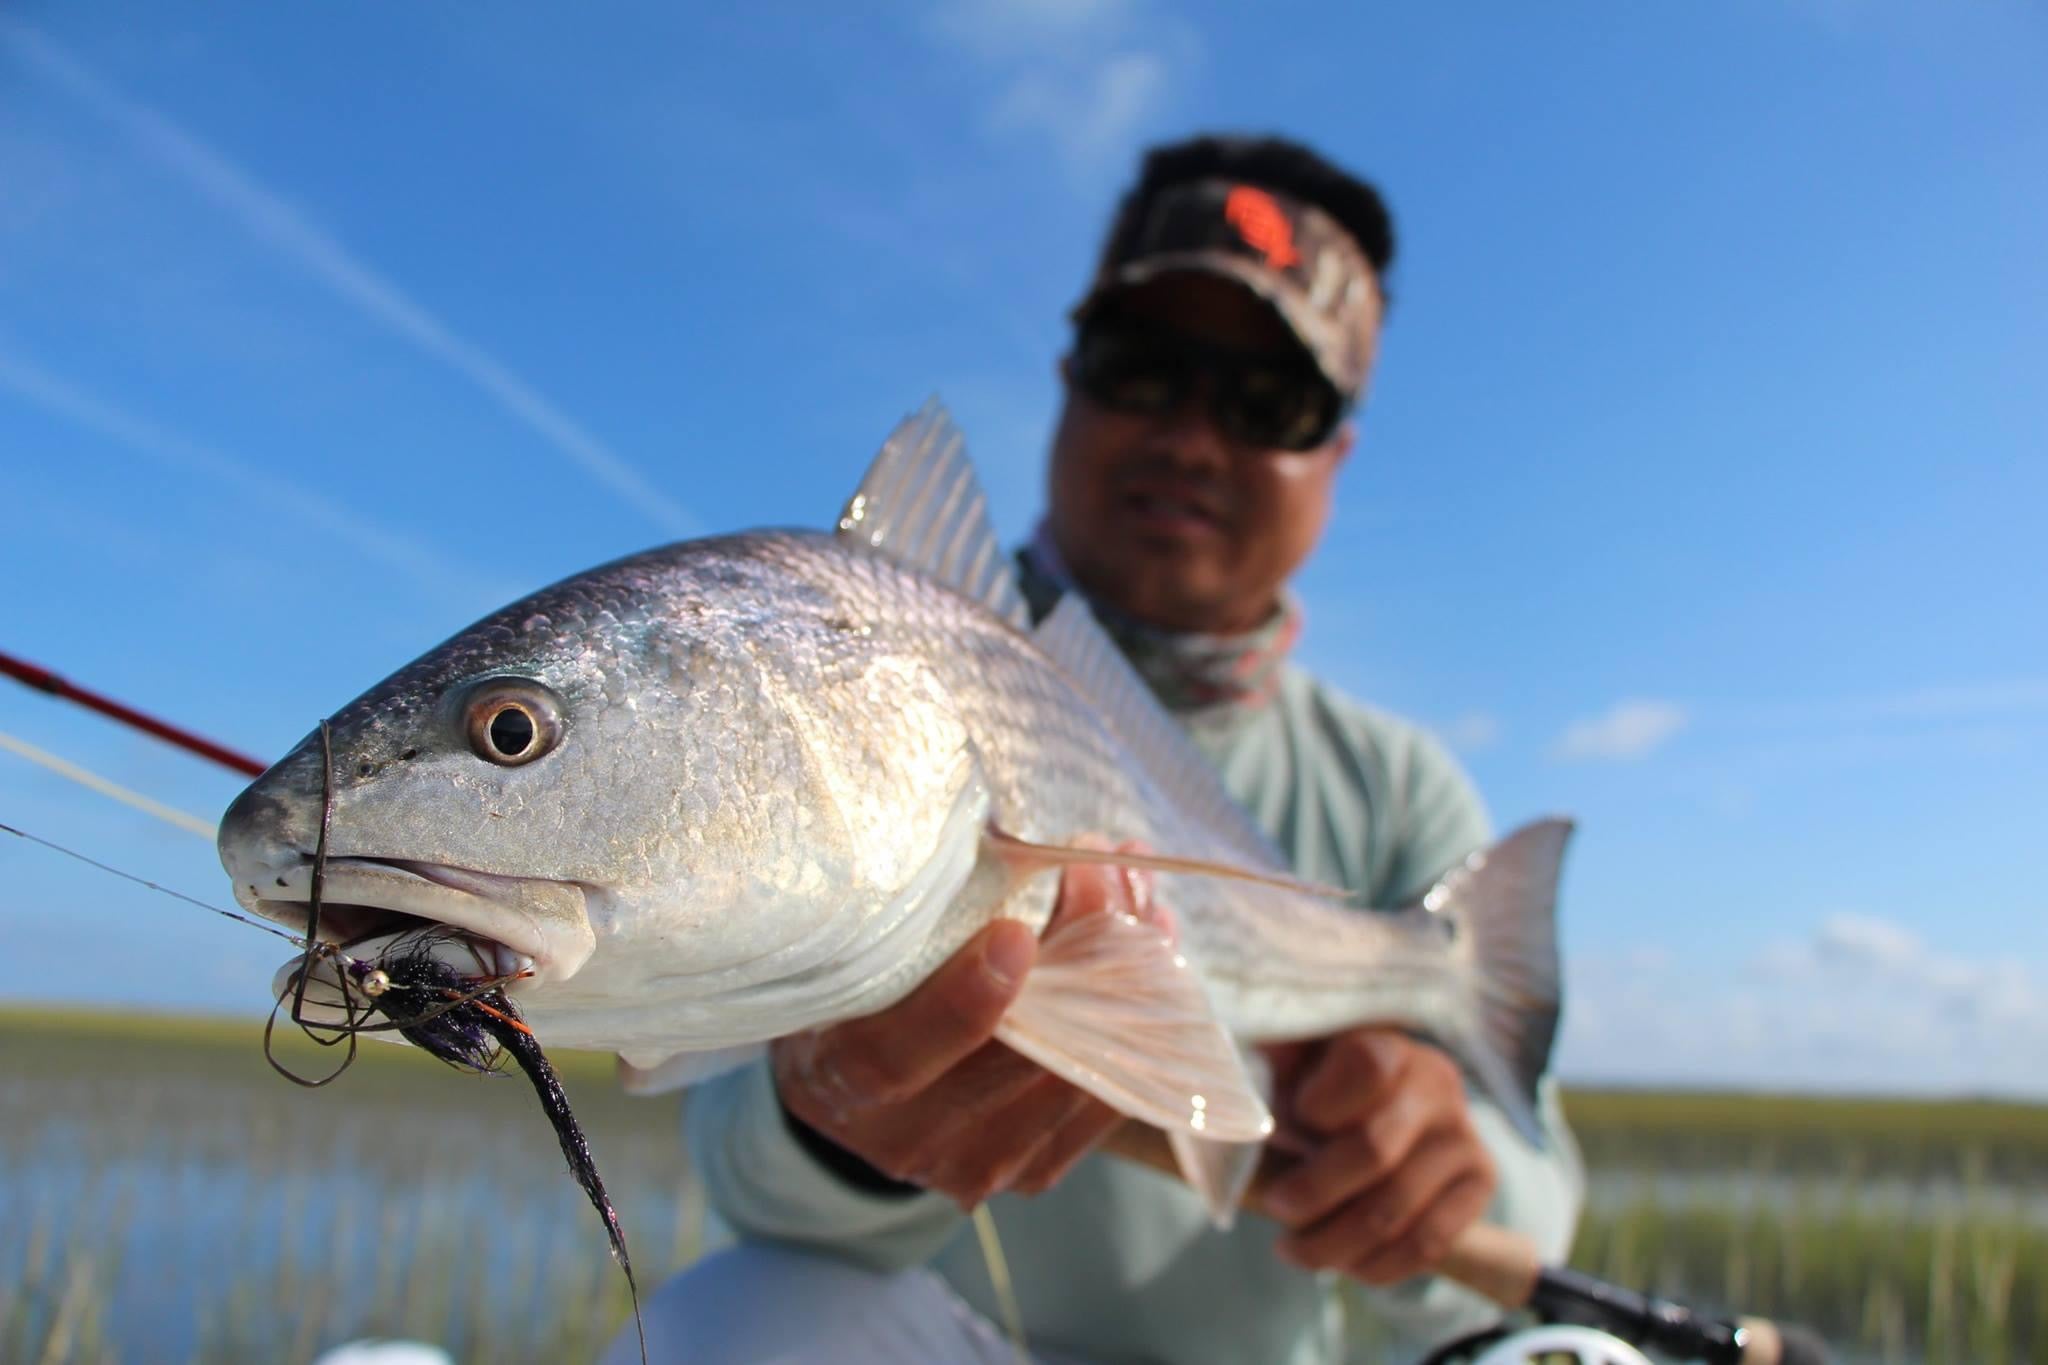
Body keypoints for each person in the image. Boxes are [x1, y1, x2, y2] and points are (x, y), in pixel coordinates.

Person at [608, 133, 1584, 1365]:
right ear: (1066, 378)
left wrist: (1437, 1173)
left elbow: (1529, 1217)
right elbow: (750, 1189)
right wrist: (829, 1119)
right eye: (1143, 369)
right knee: (733, 1324)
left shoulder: (1393, 790)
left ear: (1335, 457)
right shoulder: (850, 677)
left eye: (1267, 403)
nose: (1189, 436)